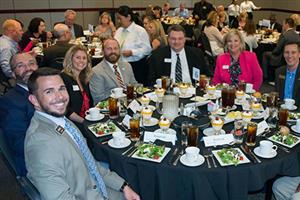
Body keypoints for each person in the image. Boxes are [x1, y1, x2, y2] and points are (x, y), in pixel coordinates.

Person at [25, 67, 140, 200]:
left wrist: (123, 186)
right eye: (49, 91)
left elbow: (90, 162)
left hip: (98, 188)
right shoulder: (41, 143)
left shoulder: (63, 122)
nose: (60, 97)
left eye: (61, 88)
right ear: (34, 100)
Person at [0, 52, 38, 176]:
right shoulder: (10, 102)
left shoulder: (43, 91)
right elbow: (19, 144)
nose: (28, 69)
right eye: (21, 65)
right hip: (35, 164)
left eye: (31, 63)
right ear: (12, 73)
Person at [90, 38, 137, 103]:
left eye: (116, 48)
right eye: (109, 49)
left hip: (131, 103)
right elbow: (98, 98)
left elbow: (134, 84)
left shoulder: (127, 66)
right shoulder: (96, 71)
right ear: (103, 51)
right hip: (111, 107)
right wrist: (121, 96)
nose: (113, 51)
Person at [114, 5, 152, 86]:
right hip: (120, 65)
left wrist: (132, 52)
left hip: (135, 66)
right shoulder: (119, 31)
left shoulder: (140, 31)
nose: (118, 21)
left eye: (120, 18)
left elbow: (148, 49)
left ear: (128, 17)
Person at [61, 45, 93, 127]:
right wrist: (84, 122)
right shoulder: (63, 78)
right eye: (78, 57)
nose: (81, 61)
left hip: (87, 120)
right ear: (70, 59)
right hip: (73, 123)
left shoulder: (84, 78)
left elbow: (90, 102)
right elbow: (65, 108)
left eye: (84, 58)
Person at [275, 41, 300, 106]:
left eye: (293, 52)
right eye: (286, 52)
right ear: (283, 54)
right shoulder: (279, 72)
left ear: (299, 54)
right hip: (282, 112)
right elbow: (278, 96)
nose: (289, 56)